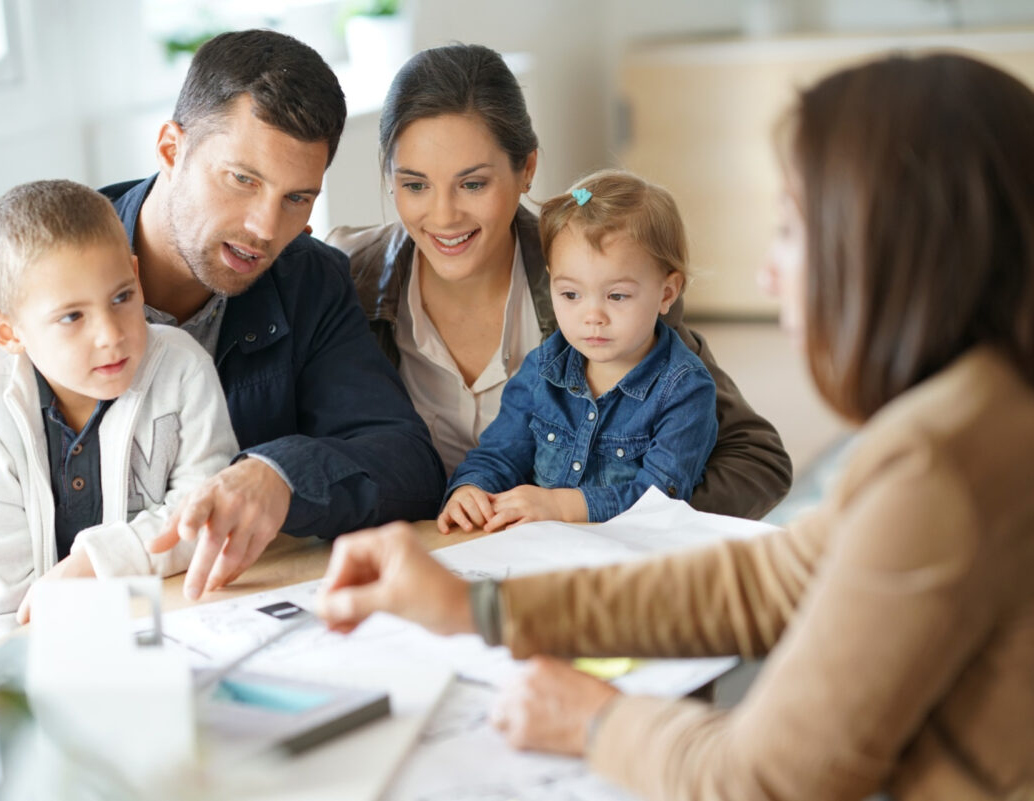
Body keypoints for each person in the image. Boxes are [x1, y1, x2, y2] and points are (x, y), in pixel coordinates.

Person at [316, 53, 1034, 800]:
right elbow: (769, 580)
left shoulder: (937, 470)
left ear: (899, 252)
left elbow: (764, 777)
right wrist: (481, 608)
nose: (768, 275)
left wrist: (598, 722)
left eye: (792, 229)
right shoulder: (972, 412)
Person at [0, 30, 445, 678]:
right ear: (171, 148)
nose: (267, 228)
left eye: (298, 198)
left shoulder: (306, 281)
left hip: (180, 658)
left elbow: (404, 458)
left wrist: (278, 477)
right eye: (242, 179)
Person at [326, 43, 790, 520]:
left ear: (526, 169)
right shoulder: (346, 278)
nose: (443, 216)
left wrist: (595, 513)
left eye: (473, 184)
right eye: (415, 185)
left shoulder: (607, 274)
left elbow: (758, 461)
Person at [0, 180, 239, 647]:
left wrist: (93, 564)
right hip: (20, 645)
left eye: (121, 297)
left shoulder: (183, 368)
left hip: (158, 626)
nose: (110, 335)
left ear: (137, 278)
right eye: (72, 317)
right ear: (7, 331)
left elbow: (205, 515)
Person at [440, 170, 717, 533]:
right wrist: (471, 488)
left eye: (616, 296)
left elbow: (661, 498)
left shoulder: (684, 389)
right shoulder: (542, 370)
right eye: (570, 294)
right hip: (543, 553)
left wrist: (561, 505)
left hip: (633, 563)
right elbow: (500, 454)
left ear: (667, 293)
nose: (592, 317)